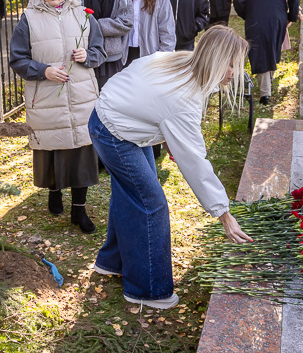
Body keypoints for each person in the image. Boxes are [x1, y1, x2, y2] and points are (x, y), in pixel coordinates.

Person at [89, 26, 253, 309]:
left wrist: (164, 135)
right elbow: (196, 165)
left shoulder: (186, 62)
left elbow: (152, 99)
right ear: (215, 60)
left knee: (133, 196)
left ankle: (111, 262)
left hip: (120, 118)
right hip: (113, 129)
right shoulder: (182, 99)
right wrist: (224, 214)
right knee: (150, 203)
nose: (235, 73)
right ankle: (147, 290)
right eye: (232, 66)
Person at [9, 0, 106, 232]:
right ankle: (54, 190)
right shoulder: (29, 18)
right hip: (47, 96)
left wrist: (89, 56)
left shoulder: (83, 15)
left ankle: (79, 211)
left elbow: (99, 49)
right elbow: (17, 59)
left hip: (81, 95)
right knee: (54, 148)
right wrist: (44, 71)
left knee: (82, 152)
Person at [233, 0, 300, 104]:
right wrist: (290, 16)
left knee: (260, 52)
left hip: (255, 19)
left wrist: (246, 14)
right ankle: (266, 89)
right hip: (277, 19)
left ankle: (265, 93)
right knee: (271, 49)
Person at [72, 0, 134, 90]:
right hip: (85, 55)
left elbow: (127, 22)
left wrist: (95, 26)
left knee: (111, 101)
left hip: (111, 56)